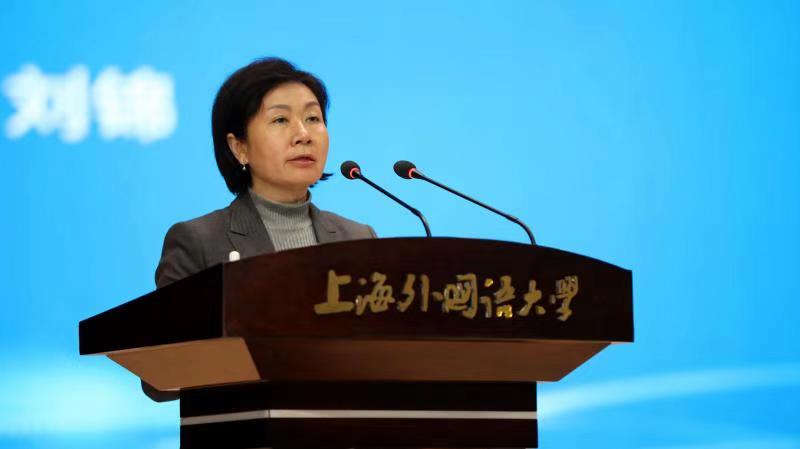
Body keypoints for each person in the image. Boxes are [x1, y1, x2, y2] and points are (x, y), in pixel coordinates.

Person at [143, 57, 377, 402]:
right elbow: (159, 376)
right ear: (239, 147)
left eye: (313, 118)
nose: (303, 135)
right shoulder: (199, 241)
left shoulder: (358, 239)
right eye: (280, 120)